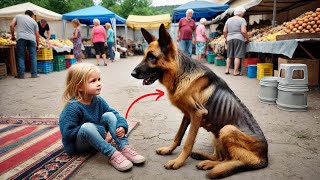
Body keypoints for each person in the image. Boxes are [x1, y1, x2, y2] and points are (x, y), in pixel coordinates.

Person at [59, 63, 145, 171]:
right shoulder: (72, 107)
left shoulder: (98, 100)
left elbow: (114, 113)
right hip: (80, 145)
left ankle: (124, 146)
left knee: (109, 115)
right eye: (93, 81)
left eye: (99, 79)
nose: (99, 83)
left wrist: (122, 126)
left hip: (97, 137)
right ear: (79, 87)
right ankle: (112, 154)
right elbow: (68, 134)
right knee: (87, 127)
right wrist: (99, 130)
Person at [10, 10, 39, 79]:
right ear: (31, 15)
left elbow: (11, 25)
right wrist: (38, 44)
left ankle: (21, 75)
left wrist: (13, 36)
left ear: (25, 14)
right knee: (33, 57)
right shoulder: (34, 22)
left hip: (21, 38)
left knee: (21, 56)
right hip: (32, 39)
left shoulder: (18, 16)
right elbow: (37, 34)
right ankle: (34, 74)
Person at [223, 6, 250, 76]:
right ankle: (235, 71)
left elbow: (224, 31)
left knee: (229, 55)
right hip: (239, 38)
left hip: (229, 38)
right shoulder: (242, 20)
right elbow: (243, 31)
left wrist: (226, 38)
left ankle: (227, 69)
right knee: (237, 56)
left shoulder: (228, 20)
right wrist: (247, 39)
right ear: (241, 13)